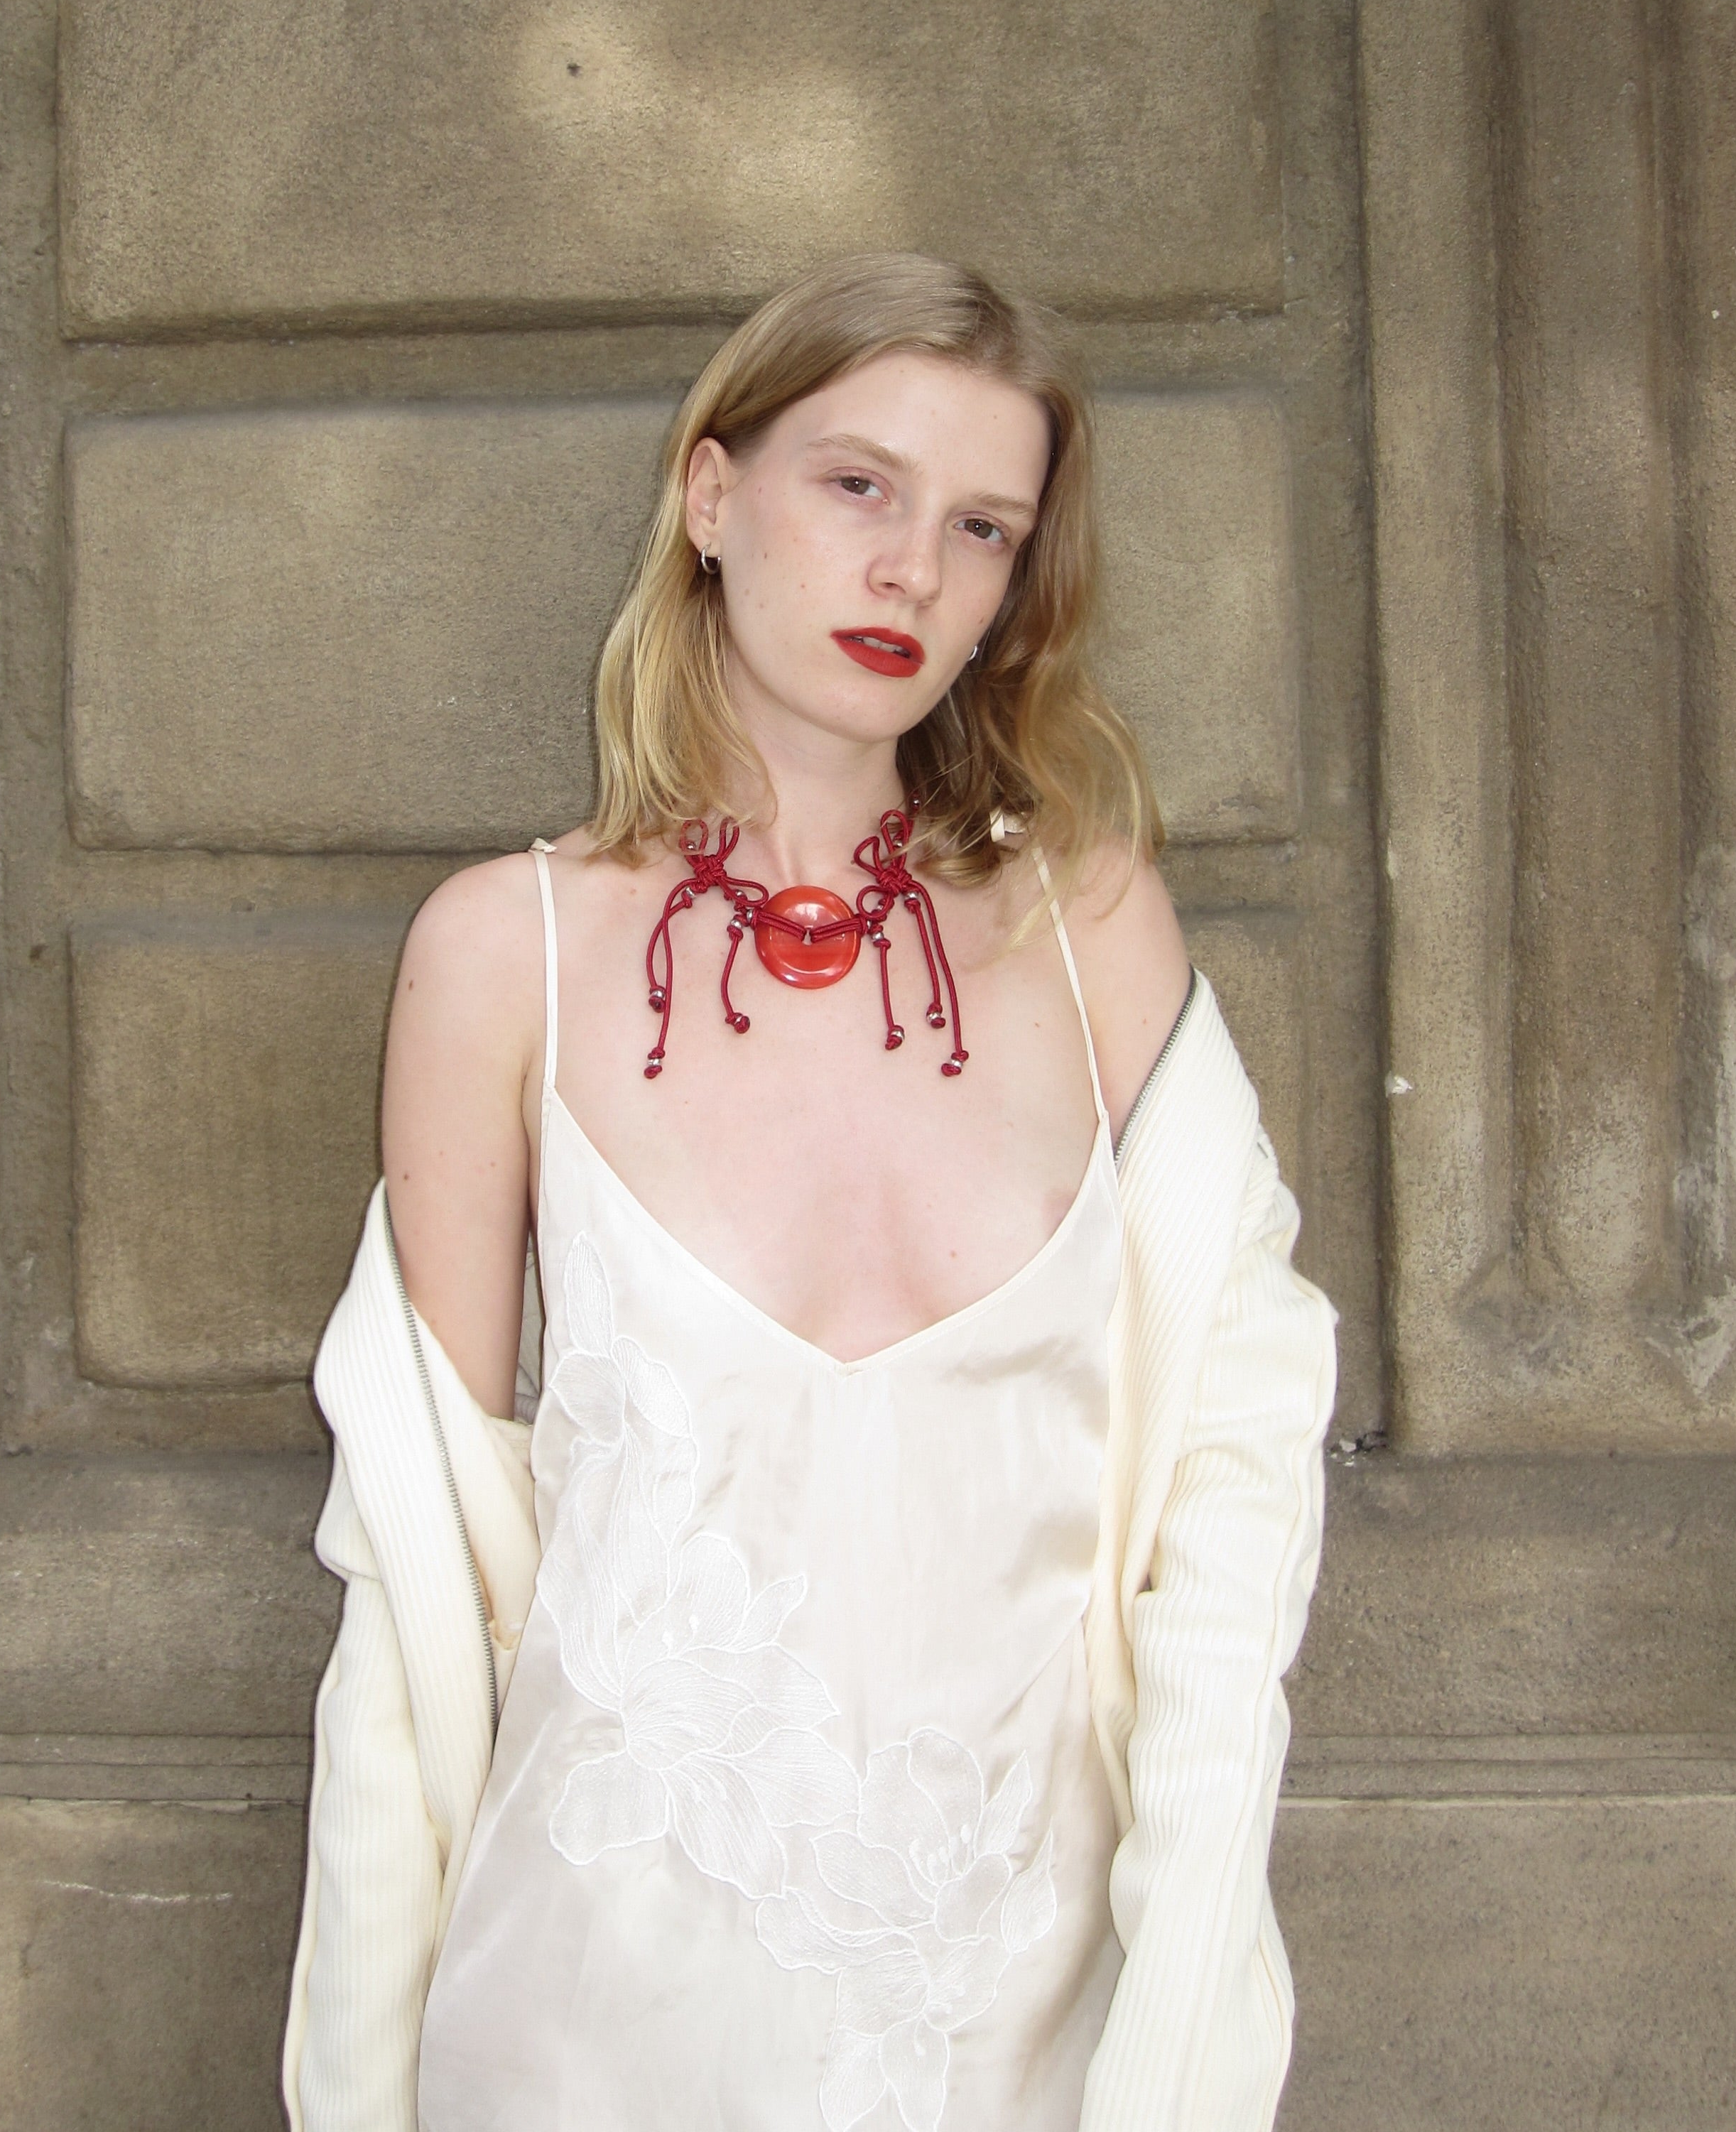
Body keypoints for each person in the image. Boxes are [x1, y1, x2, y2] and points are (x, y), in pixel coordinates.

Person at [283, 254, 1335, 2132]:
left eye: (983, 525)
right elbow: (418, 1578)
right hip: (594, 2030)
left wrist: (1179, 2043)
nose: (914, 569)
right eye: (859, 485)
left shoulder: (1090, 926)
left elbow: (1238, 1503)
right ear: (711, 496)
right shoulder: (500, 952)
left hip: (1028, 2026)